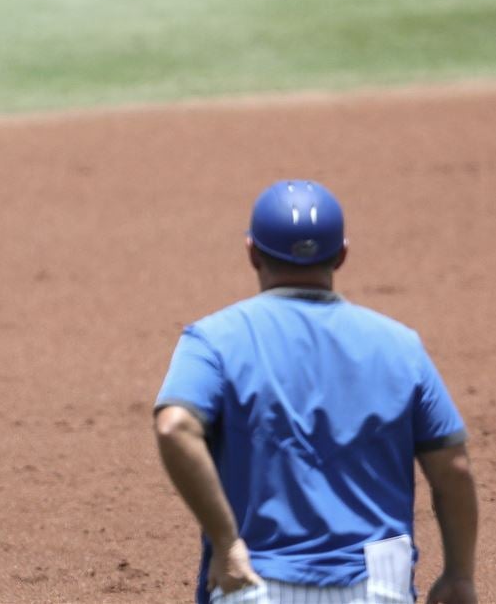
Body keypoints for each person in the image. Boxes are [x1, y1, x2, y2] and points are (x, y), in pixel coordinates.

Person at [153, 180, 479, 604]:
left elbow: (174, 426)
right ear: (342, 254)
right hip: (379, 586)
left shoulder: (214, 339)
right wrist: (458, 574)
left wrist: (226, 541)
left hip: (255, 583)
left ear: (252, 252)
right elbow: (454, 469)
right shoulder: (400, 346)